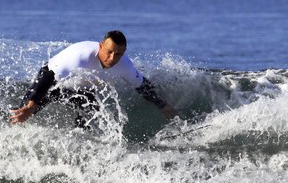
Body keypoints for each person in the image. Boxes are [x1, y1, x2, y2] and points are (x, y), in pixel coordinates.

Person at [10, 30, 179, 126]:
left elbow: (142, 86)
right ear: (100, 46)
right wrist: (32, 105)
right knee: (26, 110)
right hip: (54, 79)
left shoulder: (125, 65)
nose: (112, 58)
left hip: (81, 89)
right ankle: (4, 121)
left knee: (91, 109)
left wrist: (163, 106)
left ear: (124, 52)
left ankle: (77, 143)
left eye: (118, 54)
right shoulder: (80, 57)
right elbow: (49, 76)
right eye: (109, 52)